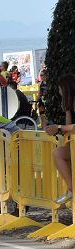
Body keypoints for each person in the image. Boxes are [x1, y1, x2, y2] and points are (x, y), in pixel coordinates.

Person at [45, 73, 75, 205]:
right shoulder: (70, 105)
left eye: (60, 88)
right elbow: (68, 129)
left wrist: (58, 127)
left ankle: (72, 189)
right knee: (59, 153)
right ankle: (71, 189)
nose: (59, 91)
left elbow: (71, 127)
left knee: (58, 153)